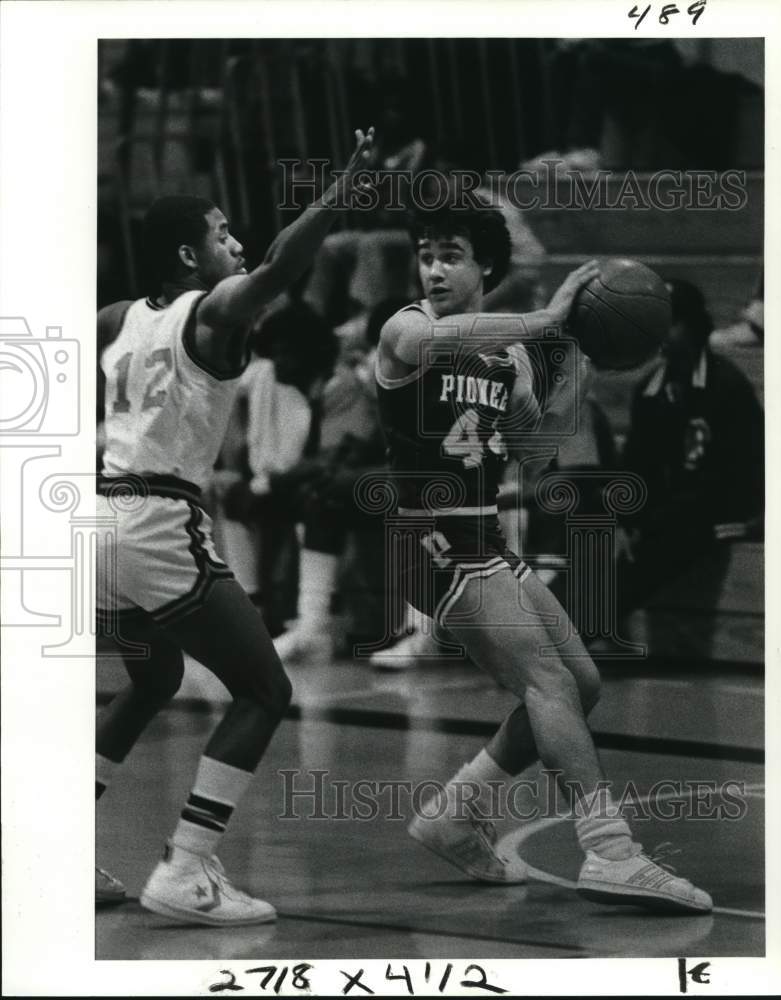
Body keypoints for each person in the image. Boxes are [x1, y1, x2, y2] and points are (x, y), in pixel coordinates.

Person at [374, 199, 712, 913]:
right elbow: (466, 334)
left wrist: (568, 377)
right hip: (428, 539)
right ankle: (610, 849)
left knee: (580, 682)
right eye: (426, 253)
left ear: (485, 266)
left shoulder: (513, 360)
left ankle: (456, 811)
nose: (433, 268)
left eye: (451, 254)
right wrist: (552, 317)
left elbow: (531, 452)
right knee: (547, 681)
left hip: (483, 539)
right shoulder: (406, 329)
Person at [95, 127, 375, 925]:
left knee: (151, 680)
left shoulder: (115, 317)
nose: (237, 243)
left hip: (97, 518)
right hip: (156, 524)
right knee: (262, 689)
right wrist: (336, 194)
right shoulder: (209, 313)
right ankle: (185, 870)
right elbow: (281, 269)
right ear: (190, 257)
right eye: (223, 234)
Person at [618, 278, 764, 619]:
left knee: (673, 534)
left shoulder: (726, 385)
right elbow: (638, 463)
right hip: (676, 510)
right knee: (617, 539)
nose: (663, 336)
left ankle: (570, 636)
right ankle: (545, 633)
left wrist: (655, 520)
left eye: (673, 325)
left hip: (731, 511)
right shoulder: (650, 388)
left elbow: (739, 476)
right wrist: (626, 520)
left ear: (694, 326)